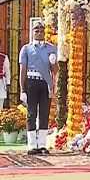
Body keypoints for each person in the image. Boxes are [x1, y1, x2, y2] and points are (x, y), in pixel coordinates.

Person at [19, 21, 57, 155]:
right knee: (31, 113)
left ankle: (42, 144)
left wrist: (53, 62)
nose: (39, 32)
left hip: (44, 83)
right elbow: (22, 70)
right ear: (32, 32)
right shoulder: (26, 49)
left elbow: (55, 71)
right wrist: (22, 89)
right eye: (36, 30)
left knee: (44, 114)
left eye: (41, 30)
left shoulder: (51, 48)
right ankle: (31, 145)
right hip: (31, 83)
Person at [0, 45, 10, 110]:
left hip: (1, 82)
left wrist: (8, 83)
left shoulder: (4, 57)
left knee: (0, 101)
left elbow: (7, 71)